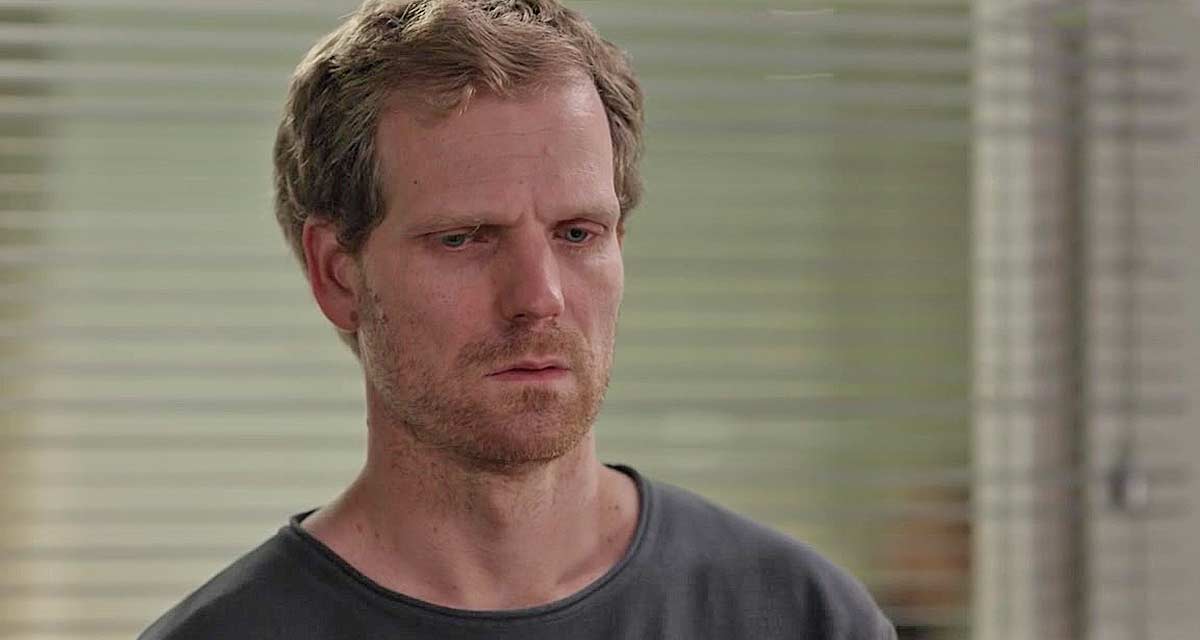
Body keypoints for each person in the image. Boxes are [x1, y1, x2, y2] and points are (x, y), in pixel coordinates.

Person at [139, 1, 897, 638]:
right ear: (339, 274)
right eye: (464, 238)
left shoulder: (802, 616)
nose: (539, 297)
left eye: (578, 234)